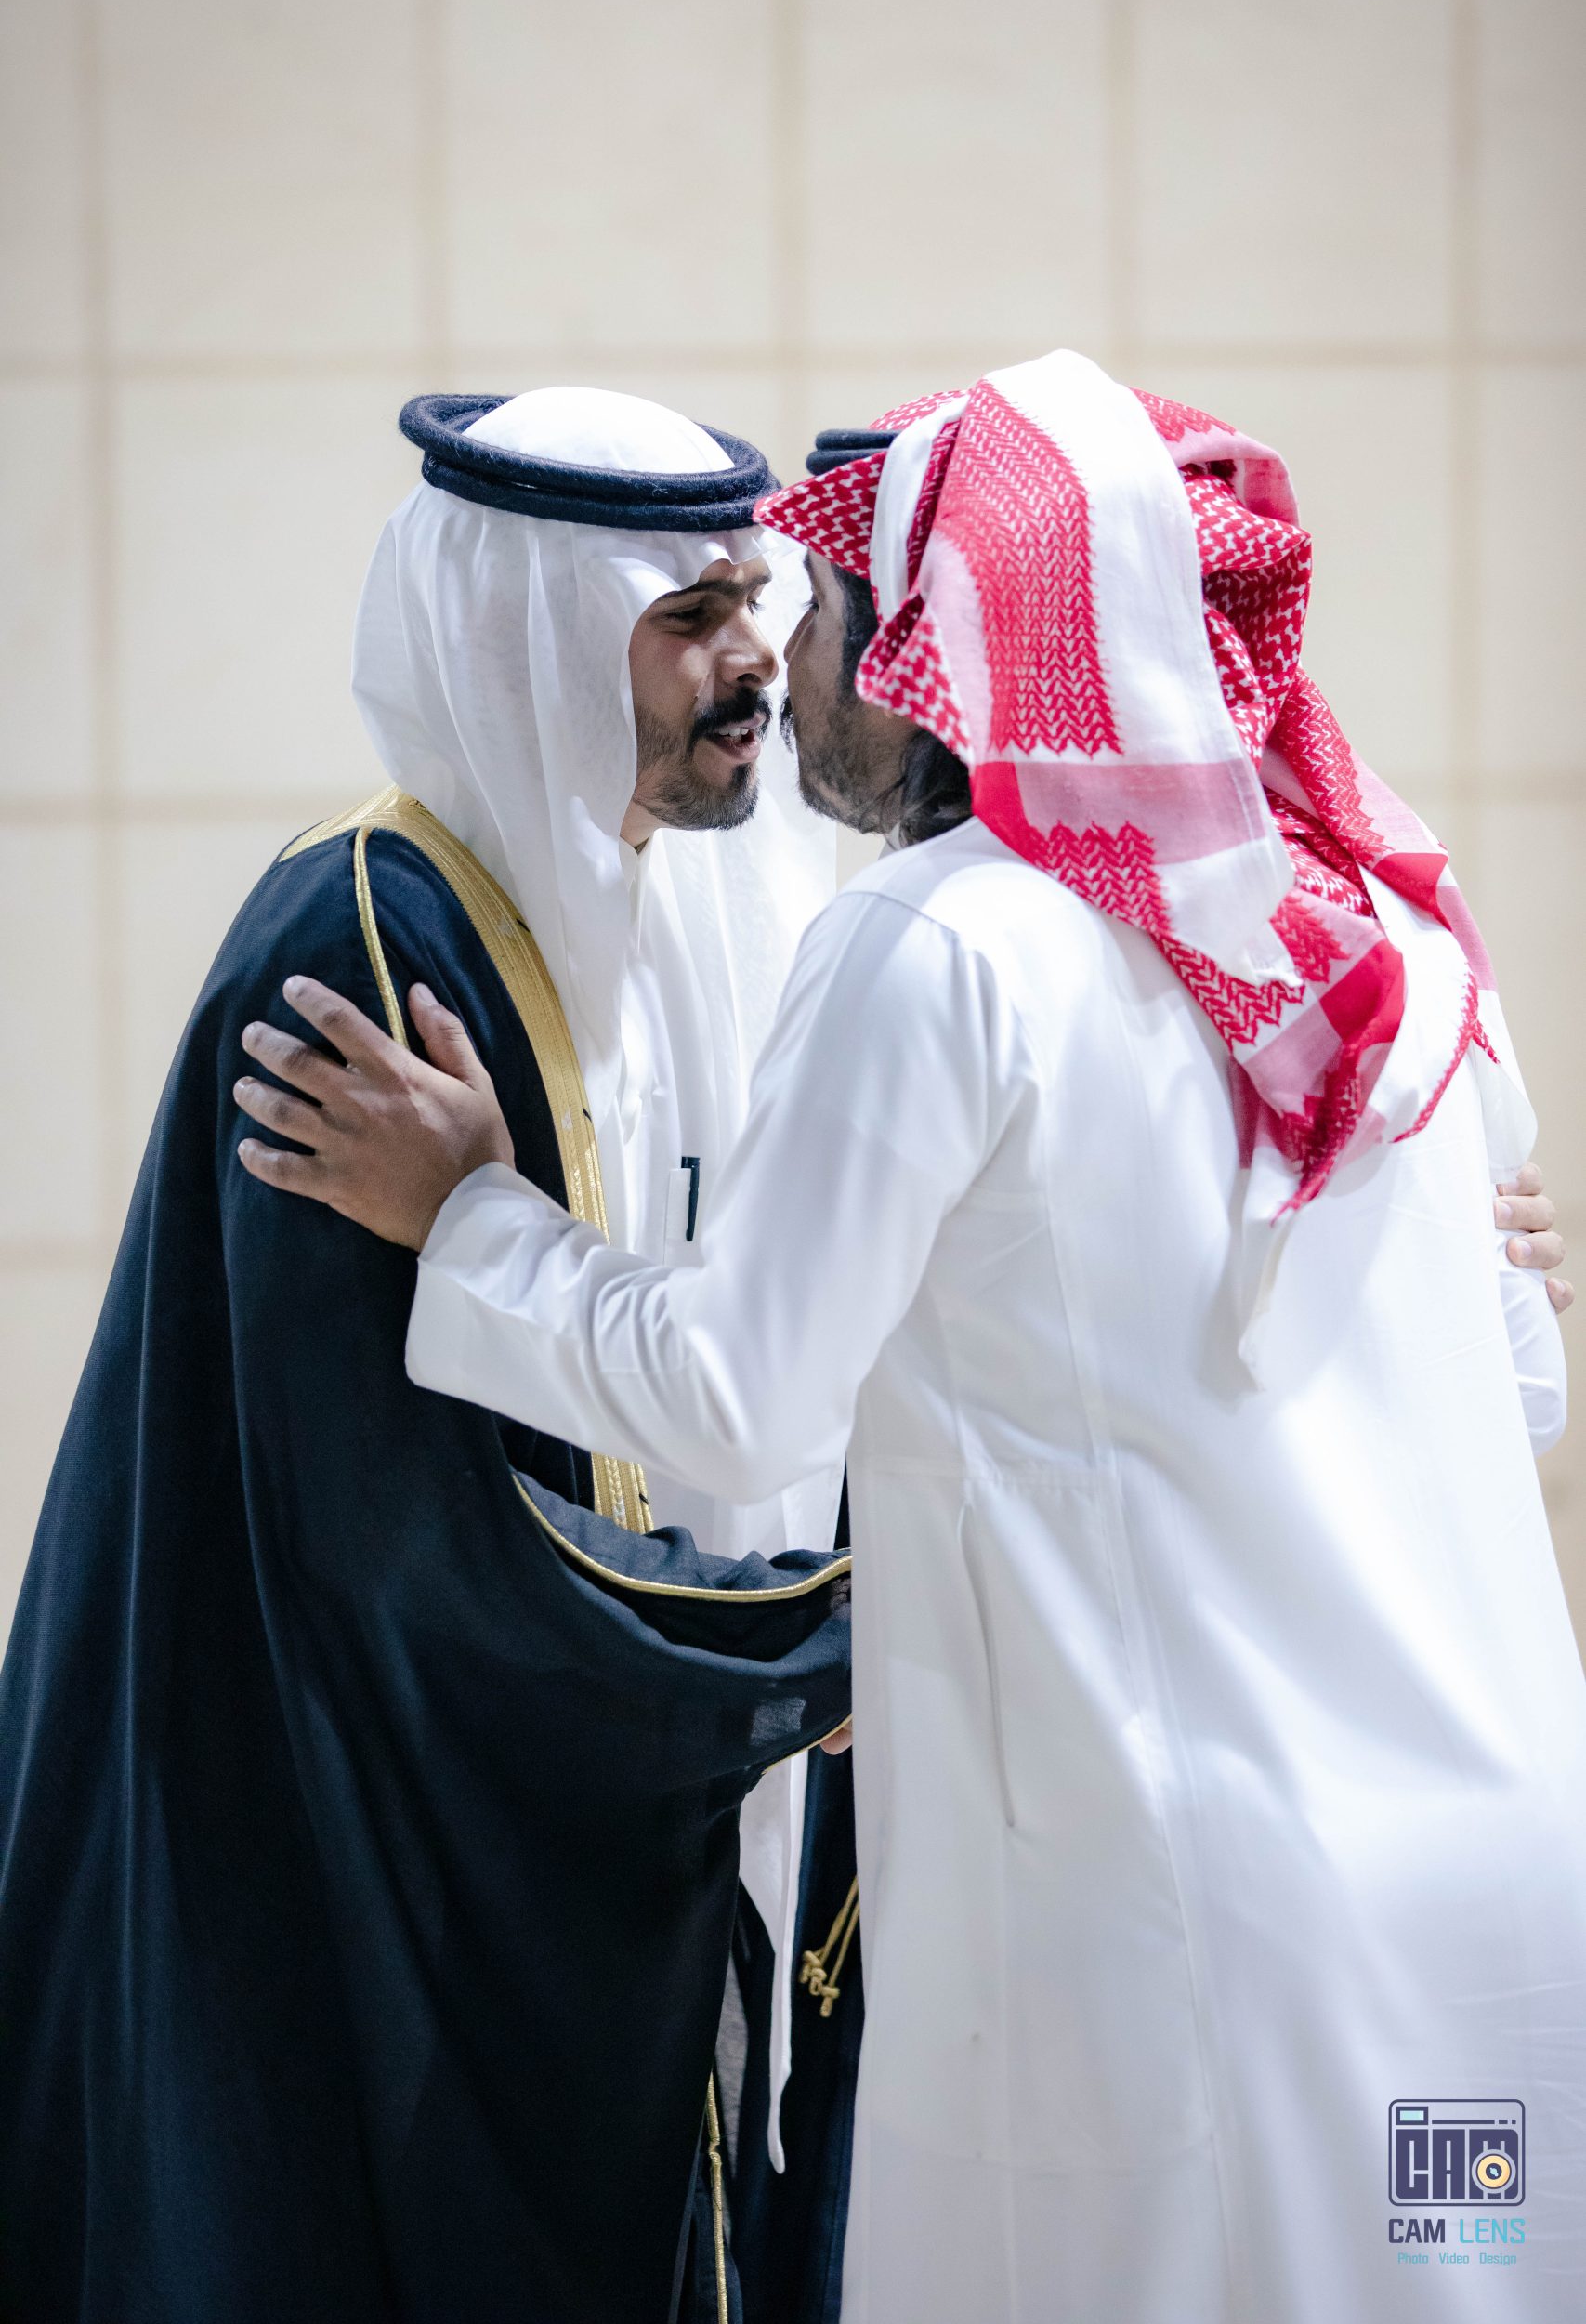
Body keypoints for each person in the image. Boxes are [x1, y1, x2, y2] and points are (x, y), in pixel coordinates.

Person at [237, 351, 1585, 2323]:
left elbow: (731, 1387)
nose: (793, 661)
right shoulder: (1386, 935)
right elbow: (1518, 1385)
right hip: (1487, 1905)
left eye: (827, 605)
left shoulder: (944, 937)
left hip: (1179, 1933)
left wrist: (470, 1220)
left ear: (940, 641)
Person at [0, 389, 857, 2324]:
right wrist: (798, 1647)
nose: (750, 660)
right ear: (527, 639)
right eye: (687, 617)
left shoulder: (661, 912)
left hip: (516, 1832)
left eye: (750, 598)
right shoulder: (367, 956)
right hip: (323, 1837)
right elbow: (397, 1551)